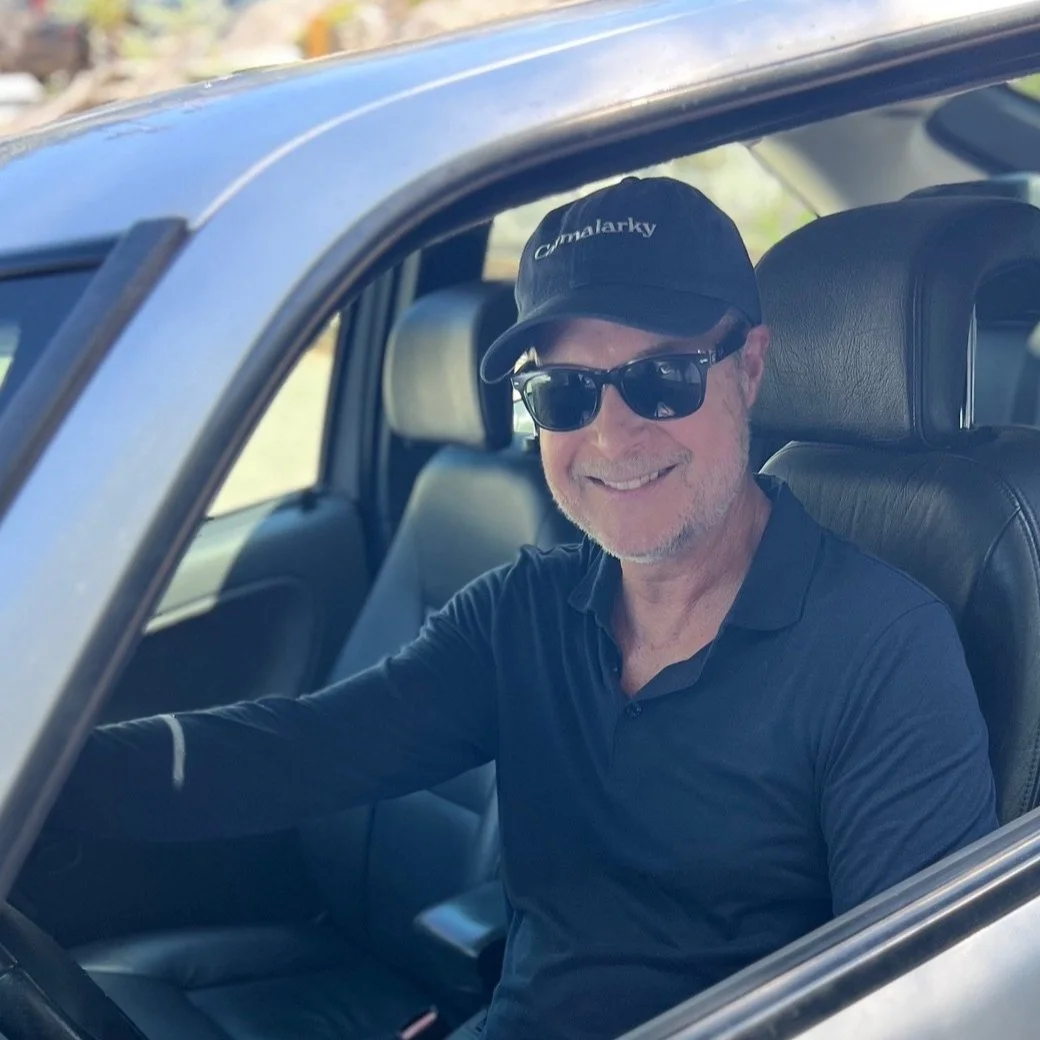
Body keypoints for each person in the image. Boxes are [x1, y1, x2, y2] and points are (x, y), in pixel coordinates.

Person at [50, 176, 998, 1040]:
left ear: (750, 369)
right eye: (563, 392)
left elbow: (919, 1014)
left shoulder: (881, 652)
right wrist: (44, 776)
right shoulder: (523, 613)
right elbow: (295, 752)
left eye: (662, 379)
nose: (613, 435)